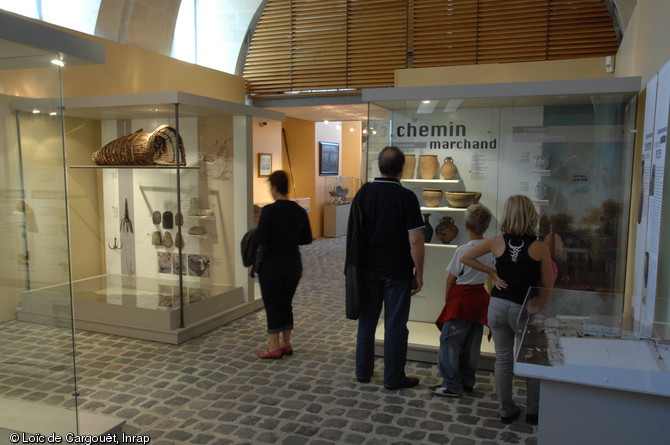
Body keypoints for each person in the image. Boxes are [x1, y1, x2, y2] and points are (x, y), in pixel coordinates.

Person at [460, 195, 555, 425]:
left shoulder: (496, 242)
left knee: (503, 359)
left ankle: (506, 410)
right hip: (525, 308)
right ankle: (533, 411)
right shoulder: (540, 247)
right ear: (531, 215)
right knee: (532, 358)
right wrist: (541, 303)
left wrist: (491, 273)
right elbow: (548, 282)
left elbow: (466, 256)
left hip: (498, 306)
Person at [345, 146, 425, 390]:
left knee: (367, 322)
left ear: (379, 166)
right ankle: (393, 377)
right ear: (402, 170)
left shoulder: (364, 192)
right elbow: (415, 240)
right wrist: (419, 272)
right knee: (395, 325)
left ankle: (363, 371)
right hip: (398, 272)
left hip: (367, 270)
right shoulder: (407, 198)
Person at [430, 205, 494, 398]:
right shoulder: (491, 249)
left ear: (466, 226)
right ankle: (468, 381)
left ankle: (451, 384)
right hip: (479, 300)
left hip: (462, 300)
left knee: (450, 342)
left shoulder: (463, 250)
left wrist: (447, 297)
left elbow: (451, 279)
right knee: (472, 344)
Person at [254, 170, 313, 359]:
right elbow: (307, 238)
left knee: (272, 304)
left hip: (272, 264)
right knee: (286, 304)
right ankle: (286, 343)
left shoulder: (269, 211)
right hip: (293, 263)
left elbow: (260, 237)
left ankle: (273, 346)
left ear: (274, 188)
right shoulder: (299, 210)